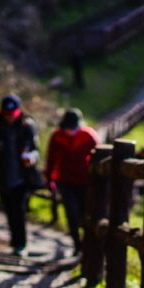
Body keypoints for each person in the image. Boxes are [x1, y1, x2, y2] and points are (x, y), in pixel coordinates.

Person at [0, 94, 39, 256]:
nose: (9, 118)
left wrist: (31, 158)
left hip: (22, 177)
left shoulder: (27, 127)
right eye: (7, 114)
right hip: (2, 176)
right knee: (8, 209)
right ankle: (15, 241)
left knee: (18, 209)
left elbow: (36, 150)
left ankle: (21, 244)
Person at [44, 108, 99, 254]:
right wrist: (49, 178)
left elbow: (99, 157)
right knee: (71, 212)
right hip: (65, 181)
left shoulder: (88, 136)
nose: (70, 131)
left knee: (84, 212)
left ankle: (87, 242)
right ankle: (77, 244)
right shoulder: (56, 136)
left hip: (85, 181)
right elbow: (51, 159)